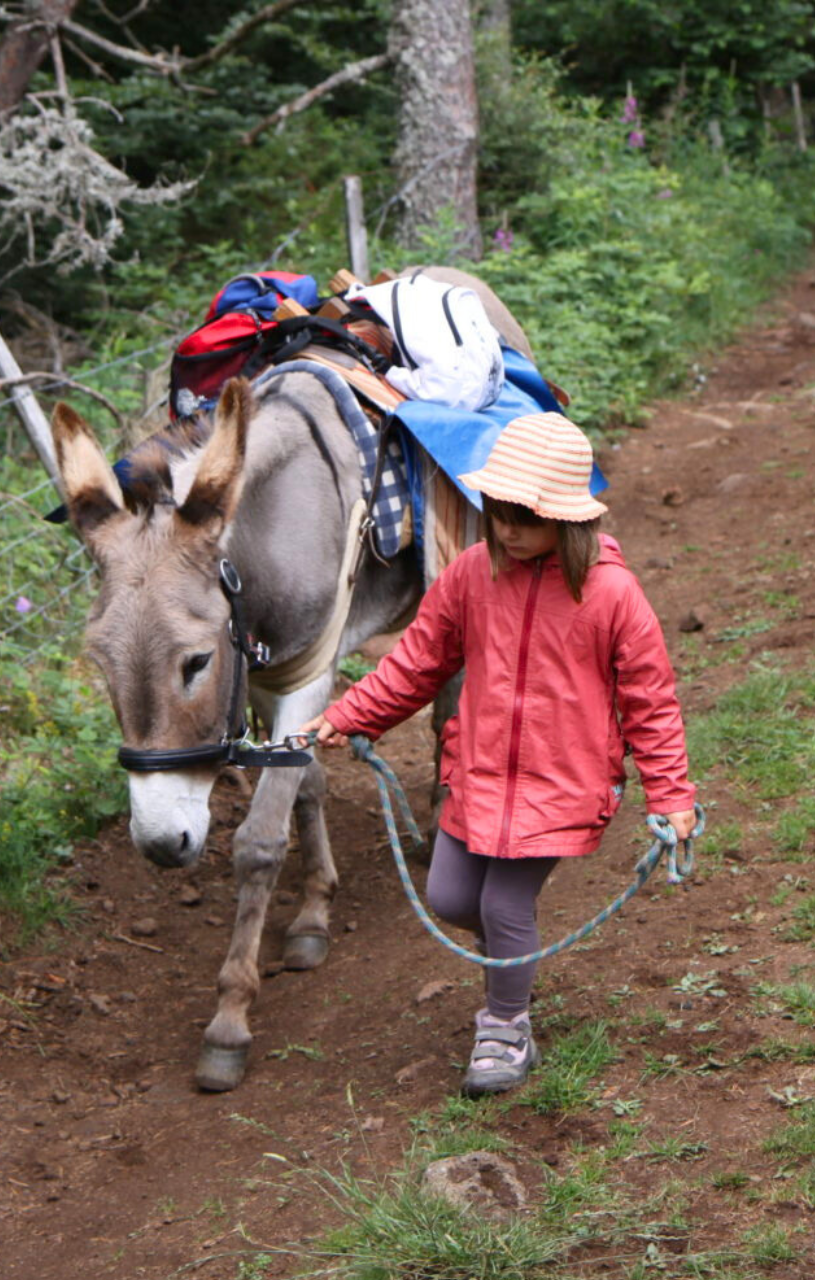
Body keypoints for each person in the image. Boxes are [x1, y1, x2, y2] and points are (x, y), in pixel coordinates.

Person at [301, 413, 697, 1097]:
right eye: (498, 514)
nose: (507, 532)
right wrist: (350, 713)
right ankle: (511, 961)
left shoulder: (611, 594)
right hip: (480, 772)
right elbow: (417, 661)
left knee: (506, 905)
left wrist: (672, 796)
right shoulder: (470, 575)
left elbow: (650, 701)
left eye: (524, 519)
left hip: (561, 784)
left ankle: (506, 1026)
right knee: (451, 896)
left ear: (565, 519)